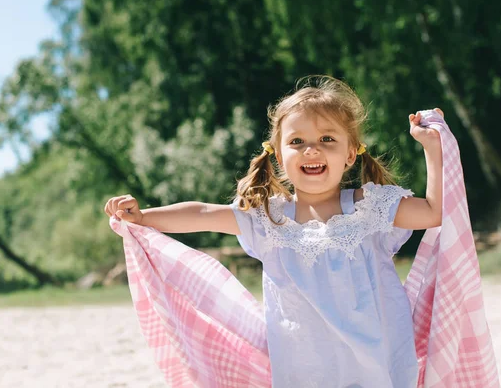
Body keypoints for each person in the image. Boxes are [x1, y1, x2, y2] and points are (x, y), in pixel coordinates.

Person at [104, 76, 443, 388]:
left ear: (350, 154)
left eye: (327, 139)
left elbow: (433, 212)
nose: (312, 149)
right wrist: (144, 217)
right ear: (279, 154)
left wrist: (432, 148)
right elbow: (204, 213)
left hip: (375, 367)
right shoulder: (269, 219)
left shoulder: (371, 208)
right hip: (304, 372)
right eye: (298, 141)